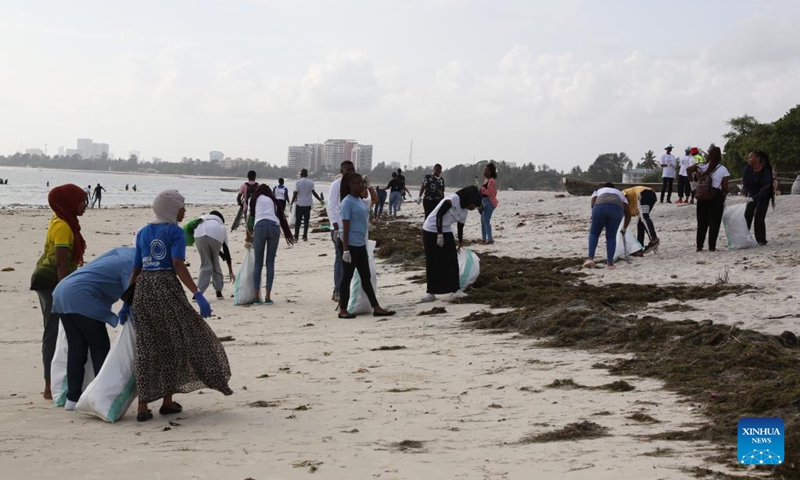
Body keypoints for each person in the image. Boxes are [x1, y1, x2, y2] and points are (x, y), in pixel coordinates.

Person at [125, 190, 233, 422]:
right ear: (171, 209)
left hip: (143, 289)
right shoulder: (174, 232)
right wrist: (197, 293)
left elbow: (136, 268)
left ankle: (143, 406)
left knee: (146, 346)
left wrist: (128, 300)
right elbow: (176, 264)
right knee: (175, 342)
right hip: (166, 288)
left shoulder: (143, 232)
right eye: (182, 207)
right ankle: (167, 401)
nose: (184, 211)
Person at [51, 247, 135, 410]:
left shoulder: (121, 252)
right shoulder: (131, 262)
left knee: (77, 349)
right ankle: (100, 396)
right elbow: (131, 294)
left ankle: (72, 399)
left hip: (62, 293)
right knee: (100, 348)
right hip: (82, 298)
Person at [30, 184, 88, 400]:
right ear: (69, 202)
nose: (85, 205)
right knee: (52, 331)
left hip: (55, 280)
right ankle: (48, 386)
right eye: (82, 201)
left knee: (58, 329)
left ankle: (55, 380)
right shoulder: (63, 225)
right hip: (50, 281)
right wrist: (64, 292)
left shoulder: (64, 221)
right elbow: (61, 263)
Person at [337, 173, 395, 318]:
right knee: (347, 277)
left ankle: (376, 307)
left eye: (362, 183)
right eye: (357, 183)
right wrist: (345, 250)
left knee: (366, 276)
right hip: (349, 245)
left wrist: (366, 225)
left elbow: (363, 213)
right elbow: (345, 227)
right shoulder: (347, 202)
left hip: (360, 243)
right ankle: (343, 310)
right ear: (350, 185)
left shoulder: (359, 200)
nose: (361, 185)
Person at [420, 186, 484, 302]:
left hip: (446, 230)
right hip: (431, 229)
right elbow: (439, 215)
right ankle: (431, 292)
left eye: (474, 206)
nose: (473, 207)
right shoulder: (453, 199)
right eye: (473, 204)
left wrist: (460, 242)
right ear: (469, 198)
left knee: (452, 260)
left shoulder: (464, 210)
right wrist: (439, 235)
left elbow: (460, 226)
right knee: (432, 261)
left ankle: (456, 289)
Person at [327, 160, 377, 303]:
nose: (350, 172)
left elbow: (367, 202)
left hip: (356, 234)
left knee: (360, 270)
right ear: (342, 171)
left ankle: (363, 299)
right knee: (341, 260)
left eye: (352, 169)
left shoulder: (356, 186)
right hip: (341, 230)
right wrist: (336, 227)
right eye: (347, 170)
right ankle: (338, 291)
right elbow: (332, 206)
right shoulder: (337, 186)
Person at [248, 184, 295, 305]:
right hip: (274, 227)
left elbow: (251, 218)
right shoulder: (272, 199)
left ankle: (256, 297)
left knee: (258, 263)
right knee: (270, 262)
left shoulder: (254, 198)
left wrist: (248, 236)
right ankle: (268, 296)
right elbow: (279, 216)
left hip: (260, 226)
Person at [687, 147, 730, 252]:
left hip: (702, 197)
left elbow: (688, 170)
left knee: (702, 222)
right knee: (714, 223)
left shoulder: (702, 167)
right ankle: (711, 246)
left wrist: (693, 184)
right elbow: (725, 186)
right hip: (715, 196)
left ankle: (699, 246)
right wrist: (723, 197)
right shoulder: (723, 169)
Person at [583, 183, 631, 269]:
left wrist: (595, 213)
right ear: (614, 188)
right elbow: (628, 213)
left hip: (600, 207)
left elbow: (593, 201)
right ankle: (610, 264)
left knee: (594, 233)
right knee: (611, 237)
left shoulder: (598, 190)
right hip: (617, 210)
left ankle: (590, 259)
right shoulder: (621, 193)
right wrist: (624, 228)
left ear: (604, 187)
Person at [193, 211, 235, 299]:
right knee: (215, 264)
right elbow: (226, 249)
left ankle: (198, 292)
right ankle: (218, 292)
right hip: (215, 236)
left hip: (198, 235)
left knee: (205, 264)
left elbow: (206, 238)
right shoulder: (220, 225)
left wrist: (219, 253)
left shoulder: (202, 219)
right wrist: (230, 270)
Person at [742, 150, 775, 246]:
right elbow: (745, 183)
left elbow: (765, 188)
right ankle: (744, 237)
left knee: (759, 217)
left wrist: (755, 198)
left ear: (758, 158)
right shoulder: (747, 169)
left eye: (751, 157)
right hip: (752, 193)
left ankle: (761, 240)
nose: (749, 159)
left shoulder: (766, 171)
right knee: (747, 214)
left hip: (764, 195)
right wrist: (744, 190)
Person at [621, 186, 658, 253]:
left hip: (643, 194)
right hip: (652, 196)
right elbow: (629, 214)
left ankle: (654, 238)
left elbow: (624, 197)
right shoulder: (629, 204)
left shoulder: (621, 194)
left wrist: (624, 228)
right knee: (641, 220)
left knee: (644, 217)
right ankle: (639, 247)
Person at [290, 169, 323, 241]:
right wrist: (320, 200)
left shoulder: (297, 182)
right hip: (308, 204)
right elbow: (314, 192)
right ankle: (305, 236)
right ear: (307, 175)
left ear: (301, 175)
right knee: (306, 221)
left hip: (299, 204)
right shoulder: (311, 182)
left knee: (298, 221)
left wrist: (291, 203)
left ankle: (296, 236)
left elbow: (295, 193)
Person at [479, 163, 499, 245]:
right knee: (482, 221)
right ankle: (484, 239)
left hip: (489, 202)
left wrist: (483, 189)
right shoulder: (486, 180)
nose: (484, 172)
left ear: (490, 172)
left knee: (486, 220)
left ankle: (490, 239)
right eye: (484, 170)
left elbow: (491, 193)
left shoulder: (492, 181)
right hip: (484, 202)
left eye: (486, 170)